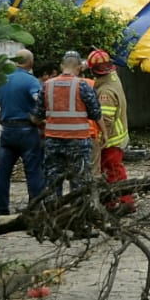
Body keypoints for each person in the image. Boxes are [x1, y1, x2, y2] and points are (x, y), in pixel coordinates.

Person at [36, 50, 102, 201]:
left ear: (61, 66)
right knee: (79, 182)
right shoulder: (83, 86)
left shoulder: (46, 86)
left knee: (52, 182)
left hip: (53, 140)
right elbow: (95, 113)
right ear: (79, 67)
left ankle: (53, 216)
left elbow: (38, 115)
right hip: (78, 140)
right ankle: (78, 217)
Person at [0, 48, 45, 215]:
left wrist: (2, 121)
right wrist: (37, 119)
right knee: (33, 171)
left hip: (7, 130)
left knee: (3, 172)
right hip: (27, 130)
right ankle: (34, 208)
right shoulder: (31, 81)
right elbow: (39, 101)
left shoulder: (1, 80)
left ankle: (2, 209)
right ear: (30, 62)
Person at [88, 48, 135, 213]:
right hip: (118, 136)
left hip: (111, 139)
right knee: (112, 172)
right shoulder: (113, 78)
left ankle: (125, 201)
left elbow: (105, 119)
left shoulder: (105, 92)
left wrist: (100, 140)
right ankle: (112, 202)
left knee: (113, 173)